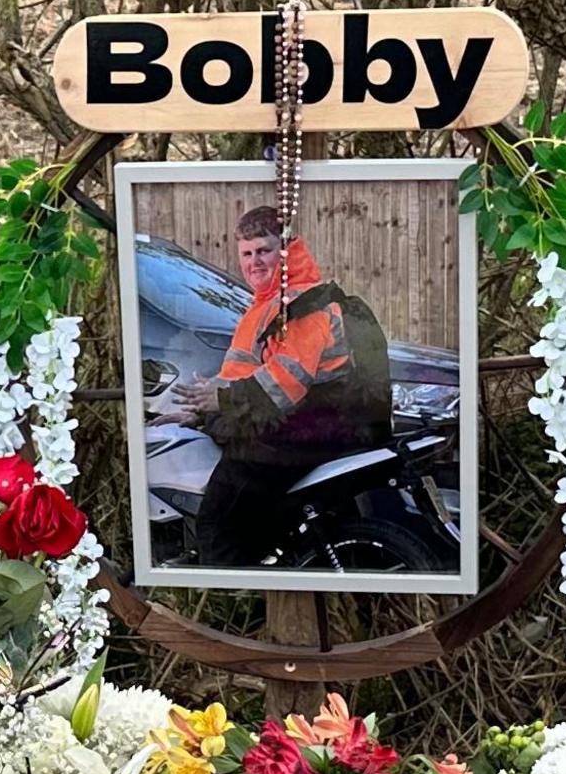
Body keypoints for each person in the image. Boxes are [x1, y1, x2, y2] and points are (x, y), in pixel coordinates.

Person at [163, 206, 395, 568]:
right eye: (247, 253)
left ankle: (233, 610)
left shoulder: (304, 305)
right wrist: (198, 407)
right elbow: (242, 373)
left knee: (217, 524)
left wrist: (221, 401)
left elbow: (283, 386)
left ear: (286, 250)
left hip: (316, 430)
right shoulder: (264, 307)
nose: (255, 262)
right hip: (302, 428)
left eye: (264, 251)